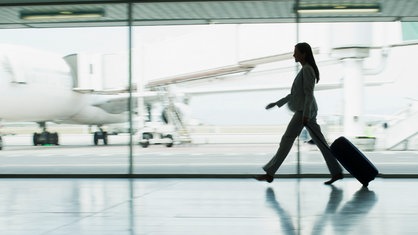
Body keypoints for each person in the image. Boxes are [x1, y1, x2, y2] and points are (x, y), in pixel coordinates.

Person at [256, 42, 343, 185]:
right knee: (320, 143)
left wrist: (305, 115)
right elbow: (295, 94)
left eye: (296, 52)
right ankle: (336, 172)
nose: (293, 55)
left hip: (304, 112)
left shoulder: (307, 70)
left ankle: (270, 173)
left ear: (304, 54)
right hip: (306, 111)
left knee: (287, 139)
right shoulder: (305, 70)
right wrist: (277, 103)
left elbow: (309, 94)